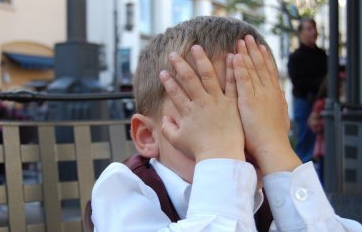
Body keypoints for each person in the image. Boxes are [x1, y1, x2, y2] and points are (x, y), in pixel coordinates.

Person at [90, 17, 362, 231]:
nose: (239, 140)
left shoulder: (271, 190)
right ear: (149, 136)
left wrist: (274, 145)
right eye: (212, 120)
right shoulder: (122, 187)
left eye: (258, 116)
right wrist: (217, 153)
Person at [288, 18, 328, 163]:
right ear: (300, 33)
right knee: (305, 145)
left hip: (323, 104)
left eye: (314, 28)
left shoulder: (322, 55)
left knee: (323, 147)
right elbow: (299, 83)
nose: (314, 32)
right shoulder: (295, 57)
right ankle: (302, 180)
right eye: (309, 28)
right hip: (305, 103)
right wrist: (321, 83)